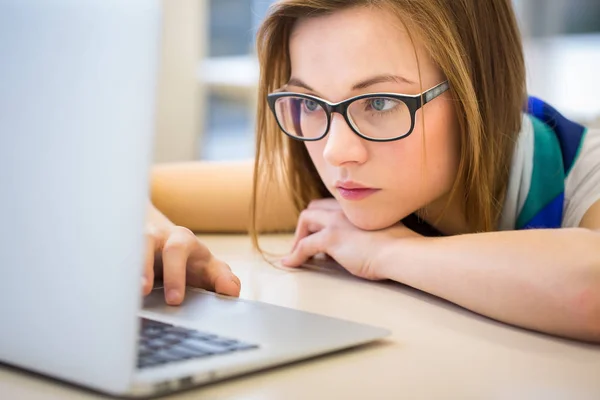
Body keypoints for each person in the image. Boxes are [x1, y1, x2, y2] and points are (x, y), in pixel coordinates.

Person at [146, 0, 600, 342]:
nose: (336, 153)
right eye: (308, 103)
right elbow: (132, 191)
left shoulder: (583, 170)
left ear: (477, 92)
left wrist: (387, 252)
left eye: (380, 103)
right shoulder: (357, 176)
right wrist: (153, 233)